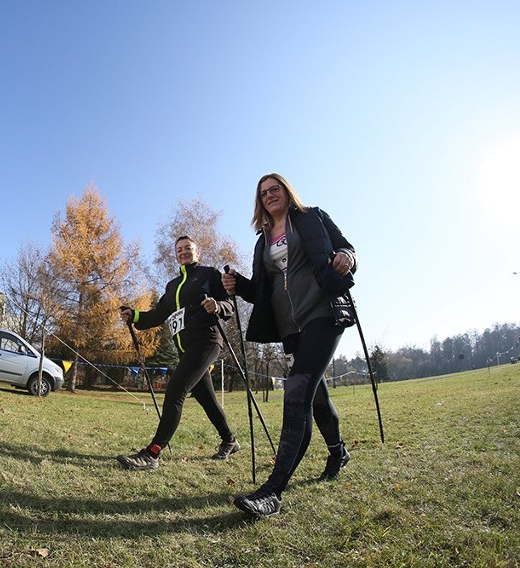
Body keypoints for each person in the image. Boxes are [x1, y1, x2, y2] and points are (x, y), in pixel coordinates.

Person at [222, 173, 357, 518]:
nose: (269, 195)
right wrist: (238, 284)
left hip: (323, 311)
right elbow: (262, 293)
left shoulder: (312, 217)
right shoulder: (262, 240)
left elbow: (347, 249)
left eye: (274, 189)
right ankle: (338, 450)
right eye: (263, 193)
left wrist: (346, 257)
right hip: (291, 329)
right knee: (316, 395)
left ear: (286, 191)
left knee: (296, 393)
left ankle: (273, 491)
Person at [116, 235, 240, 471]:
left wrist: (218, 305)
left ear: (197, 252)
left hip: (207, 342)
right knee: (207, 399)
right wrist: (135, 315)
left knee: (175, 390)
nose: (184, 252)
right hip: (186, 350)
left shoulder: (208, 274)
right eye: (180, 250)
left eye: (188, 249)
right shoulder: (172, 286)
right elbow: (158, 314)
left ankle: (152, 454)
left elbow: (229, 306)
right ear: (176, 255)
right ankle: (230, 441)